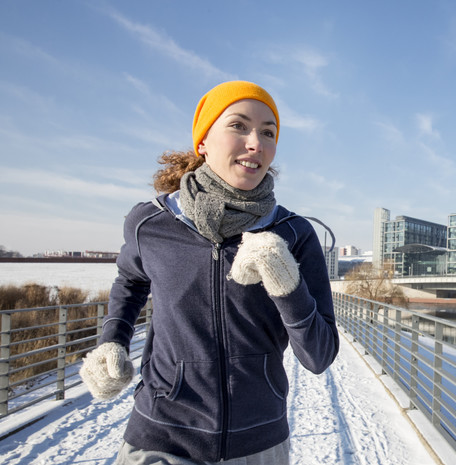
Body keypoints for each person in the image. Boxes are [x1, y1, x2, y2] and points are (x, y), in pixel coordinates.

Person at [79, 81, 339, 464]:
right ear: (202, 141)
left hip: (259, 444)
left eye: (268, 132)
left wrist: (287, 284)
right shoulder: (150, 222)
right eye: (239, 125)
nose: (256, 143)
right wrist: (112, 339)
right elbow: (131, 280)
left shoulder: (294, 234)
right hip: (160, 435)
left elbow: (319, 356)